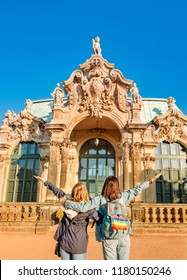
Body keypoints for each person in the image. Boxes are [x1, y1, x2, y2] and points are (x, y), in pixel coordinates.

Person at [64, 172, 162, 260]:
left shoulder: (100, 199)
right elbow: (138, 189)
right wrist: (151, 180)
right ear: (117, 186)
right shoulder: (123, 196)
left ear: (105, 186)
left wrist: (67, 202)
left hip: (108, 237)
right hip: (124, 235)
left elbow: (82, 207)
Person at [34, 176, 99, 260]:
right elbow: (100, 219)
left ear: (73, 192)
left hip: (64, 241)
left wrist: (45, 181)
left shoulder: (66, 201)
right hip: (79, 243)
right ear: (85, 193)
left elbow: (56, 190)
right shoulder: (88, 209)